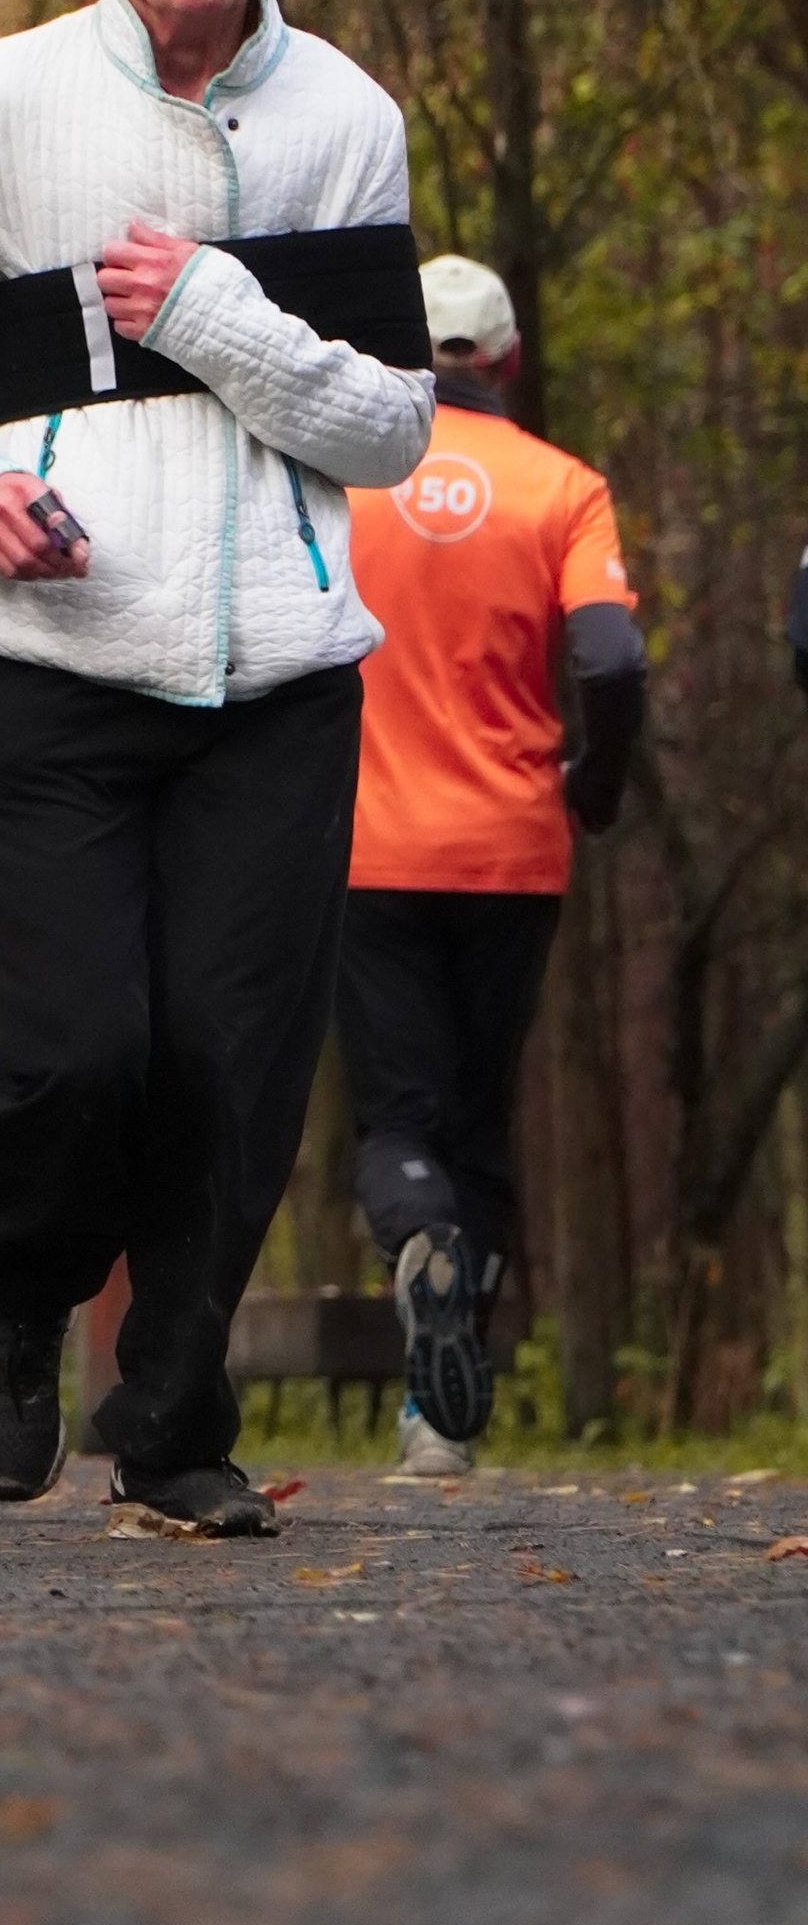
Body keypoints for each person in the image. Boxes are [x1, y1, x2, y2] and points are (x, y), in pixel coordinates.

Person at [0, 0, 433, 1536]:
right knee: (79, 1053)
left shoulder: (344, 117)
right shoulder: (6, 99)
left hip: (285, 675)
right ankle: (16, 1300)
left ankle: (170, 1425)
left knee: (233, 1072)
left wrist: (220, 316)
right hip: (54, 659)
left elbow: (393, 429)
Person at [338, 255, 644, 1476]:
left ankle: (419, 1251)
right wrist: (595, 789)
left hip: (363, 846)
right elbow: (611, 660)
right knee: (479, 1113)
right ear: (506, 359)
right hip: (515, 849)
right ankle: (441, 1406)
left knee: (395, 1114)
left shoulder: (342, 480)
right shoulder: (564, 489)